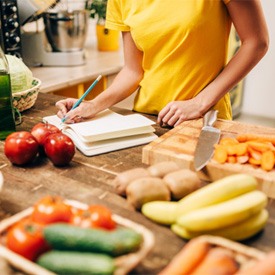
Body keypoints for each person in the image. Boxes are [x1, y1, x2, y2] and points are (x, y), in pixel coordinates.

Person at [56, 0, 269, 127]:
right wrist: (93, 105)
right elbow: (133, 70)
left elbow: (256, 42)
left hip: (204, 121)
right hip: (147, 121)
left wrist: (198, 103)